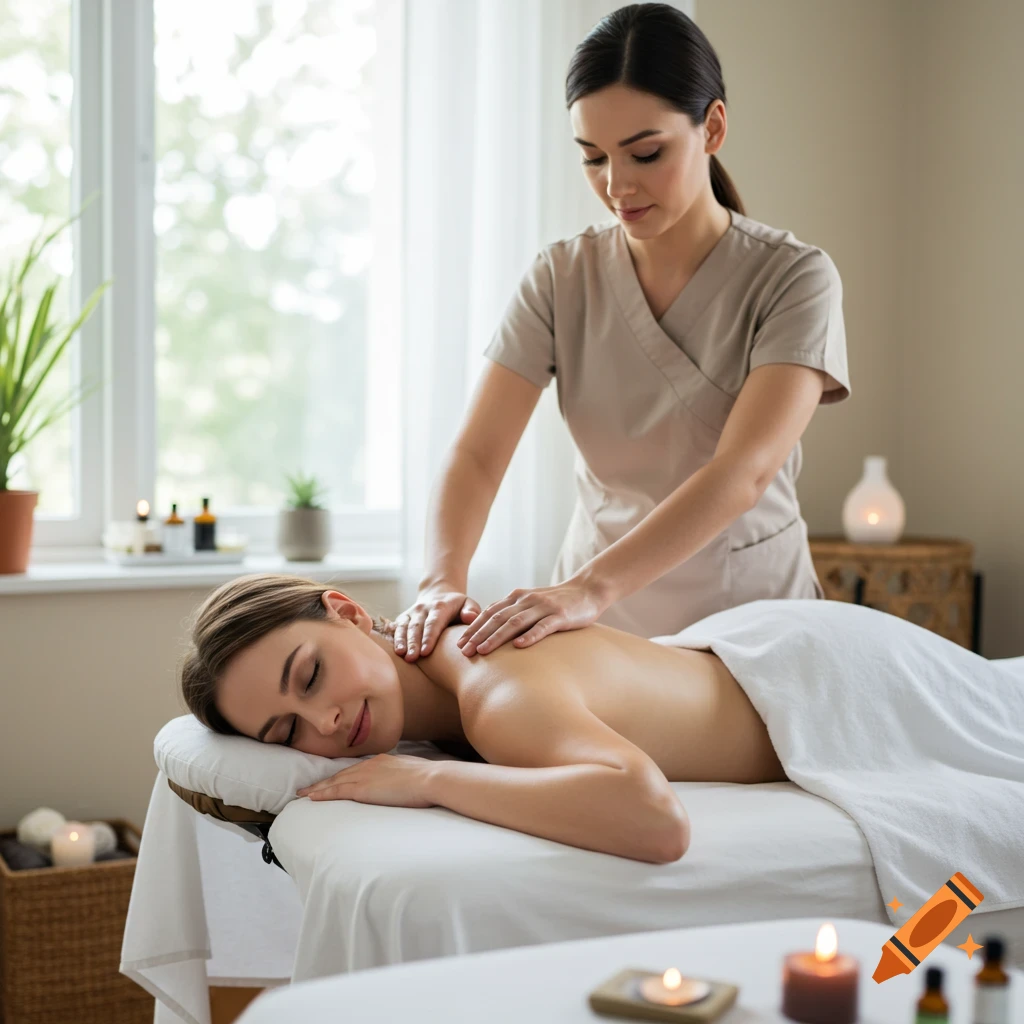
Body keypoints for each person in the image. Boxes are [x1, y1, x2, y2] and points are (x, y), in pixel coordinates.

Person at [395, 3, 850, 664]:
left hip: (749, 627)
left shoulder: (795, 279)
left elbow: (742, 472)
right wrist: (441, 581)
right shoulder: (561, 277)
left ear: (712, 126)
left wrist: (587, 588)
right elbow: (478, 455)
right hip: (594, 629)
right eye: (593, 157)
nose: (616, 185)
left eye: (645, 153)